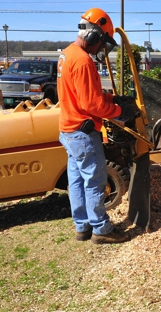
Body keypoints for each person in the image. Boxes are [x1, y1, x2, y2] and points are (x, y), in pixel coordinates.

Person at [57, 8, 131, 244]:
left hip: (69, 131)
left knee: (77, 181)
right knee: (95, 181)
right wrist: (120, 111)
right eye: (101, 42)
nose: (101, 48)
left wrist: (112, 99)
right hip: (83, 133)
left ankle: (83, 226)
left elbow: (85, 95)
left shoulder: (67, 54)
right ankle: (102, 229)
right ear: (92, 35)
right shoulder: (83, 61)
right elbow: (92, 104)